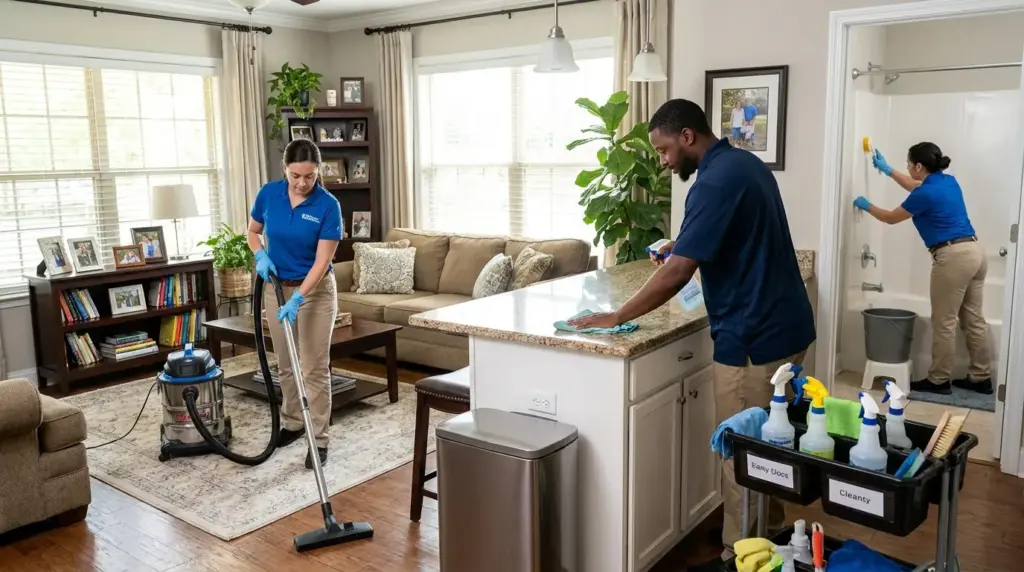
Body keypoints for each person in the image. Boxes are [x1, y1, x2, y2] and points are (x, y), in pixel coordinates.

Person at [568, 99, 815, 561]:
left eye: (663, 150)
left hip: (752, 337)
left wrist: (618, 315)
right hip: (786, 326)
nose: (662, 162)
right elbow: (722, 239)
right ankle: (771, 529)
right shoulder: (744, 164)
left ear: (686, 137)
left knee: (742, 451)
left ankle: (741, 553)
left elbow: (680, 271)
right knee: (772, 442)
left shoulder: (714, 182)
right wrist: (684, 246)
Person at [854, 143, 991, 395]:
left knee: (944, 321)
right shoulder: (947, 181)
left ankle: (938, 380)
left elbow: (890, 217)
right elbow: (914, 185)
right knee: (973, 318)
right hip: (975, 252)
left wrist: (865, 205)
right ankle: (981, 377)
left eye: (908, 163)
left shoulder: (924, 195)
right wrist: (888, 170)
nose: (907, 167)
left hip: (953, 257)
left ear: (919, 166)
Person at [247, 138, 343, 469]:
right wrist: (259, 253)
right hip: (276, 288)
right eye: (295, 175)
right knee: (285, 363)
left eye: (310, 177)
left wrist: (300, 295)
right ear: (284, 169)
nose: (302, 183)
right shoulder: (268, 194)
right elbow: (253, 231)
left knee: (314, 368)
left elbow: (322, 261)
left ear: (318, 173)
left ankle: (319, 440)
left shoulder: (328, 205)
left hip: (314, 292)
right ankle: (291, 423)